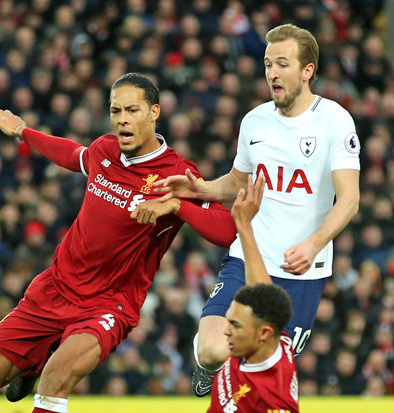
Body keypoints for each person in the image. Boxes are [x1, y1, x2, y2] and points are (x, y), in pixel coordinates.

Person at [0, 73, 237, 413]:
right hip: (55, 288)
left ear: (154, 112)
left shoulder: (176, 172)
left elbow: (228, 231)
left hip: (108, 303)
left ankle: (46, 365)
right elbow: (74, 155)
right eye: (115, 110)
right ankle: (35, 361)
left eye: (132, 110)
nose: (122, 119)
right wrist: (23, 131)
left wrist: (178, 205)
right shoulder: (105, 149)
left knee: (56, 379)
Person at [155, 23, 360, 396]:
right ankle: (207, 366)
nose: (272, 73)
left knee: (263, 376)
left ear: (307, 71)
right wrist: (202, 188)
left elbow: (349, 198)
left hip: (301, 271)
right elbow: (237, 181)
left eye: (282, 64)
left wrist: (313, 244)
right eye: (268, 64)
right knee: (212, 346)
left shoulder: (334, 120)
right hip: (249, 256)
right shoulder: (255, 121)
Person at [208, 174, 298, 412]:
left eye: (236, 325)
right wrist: (244, 225)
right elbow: (262, 289)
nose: (226, 330)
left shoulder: (271, 400)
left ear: (263, 333)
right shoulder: (275, 342)